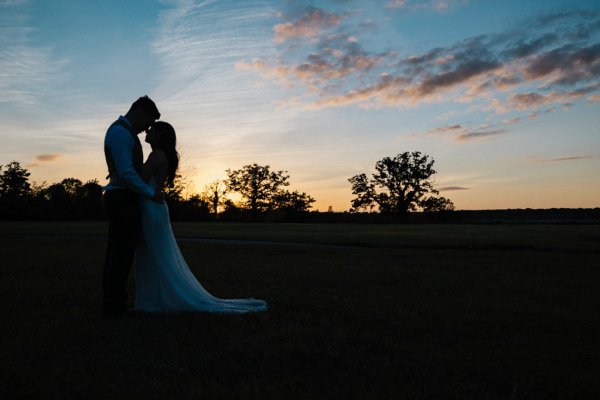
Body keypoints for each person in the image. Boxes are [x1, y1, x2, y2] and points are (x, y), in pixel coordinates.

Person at [134, 122, 267, 313]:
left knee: (155, 254)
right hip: (155, 207)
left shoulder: (156, 155)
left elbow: (138, 178)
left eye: (151, 129)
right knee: (156, 254)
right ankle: (155, 299)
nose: (147, 131)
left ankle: (157, 301)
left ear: (160, 136)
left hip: (151, 208)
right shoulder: (163, 156)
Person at [102, 96, 162, 315]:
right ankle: (114, 304)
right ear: (139, 113)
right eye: (146, 123)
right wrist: (149, 193)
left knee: (119, 251)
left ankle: (113, 301)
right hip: (120, 198)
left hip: (124, 197)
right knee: (121, 252)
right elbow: (127, 172)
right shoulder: (120, 133)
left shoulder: (125, 133)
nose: (146, 129)